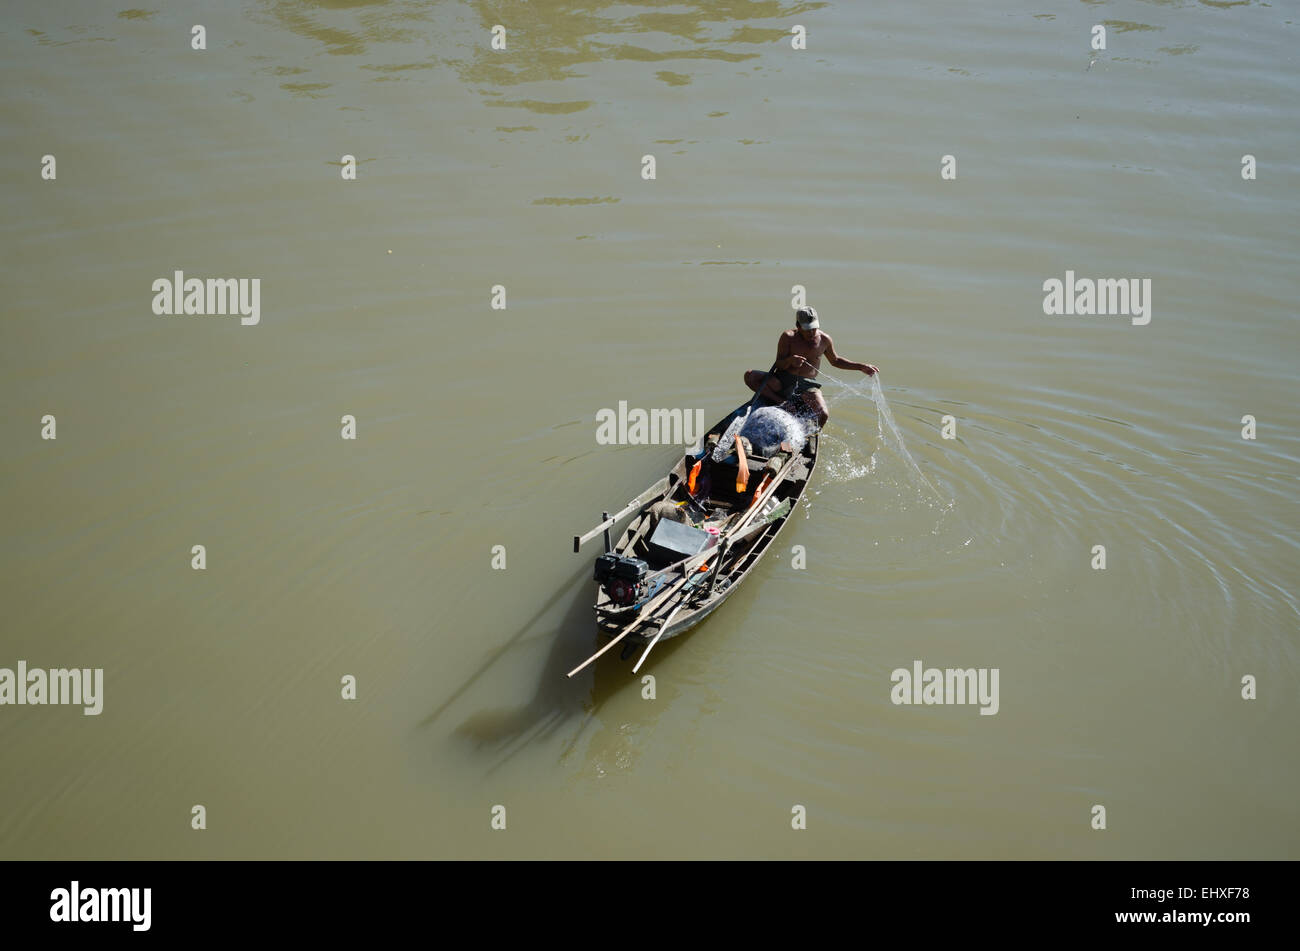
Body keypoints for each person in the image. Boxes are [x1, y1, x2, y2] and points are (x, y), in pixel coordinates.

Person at [743, 306, 878, 427]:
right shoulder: (788, 337)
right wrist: (790, 360)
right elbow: (779, 363)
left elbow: (835, 361)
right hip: (782, 380)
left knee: (823, 414)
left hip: (806, 385)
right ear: (798, 326)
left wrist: (861, 367)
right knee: (750, 376)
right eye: (807, 329)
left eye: (814, 328)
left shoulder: (824, 339)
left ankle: (809, 434)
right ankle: (782, 402)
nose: (811, 333)